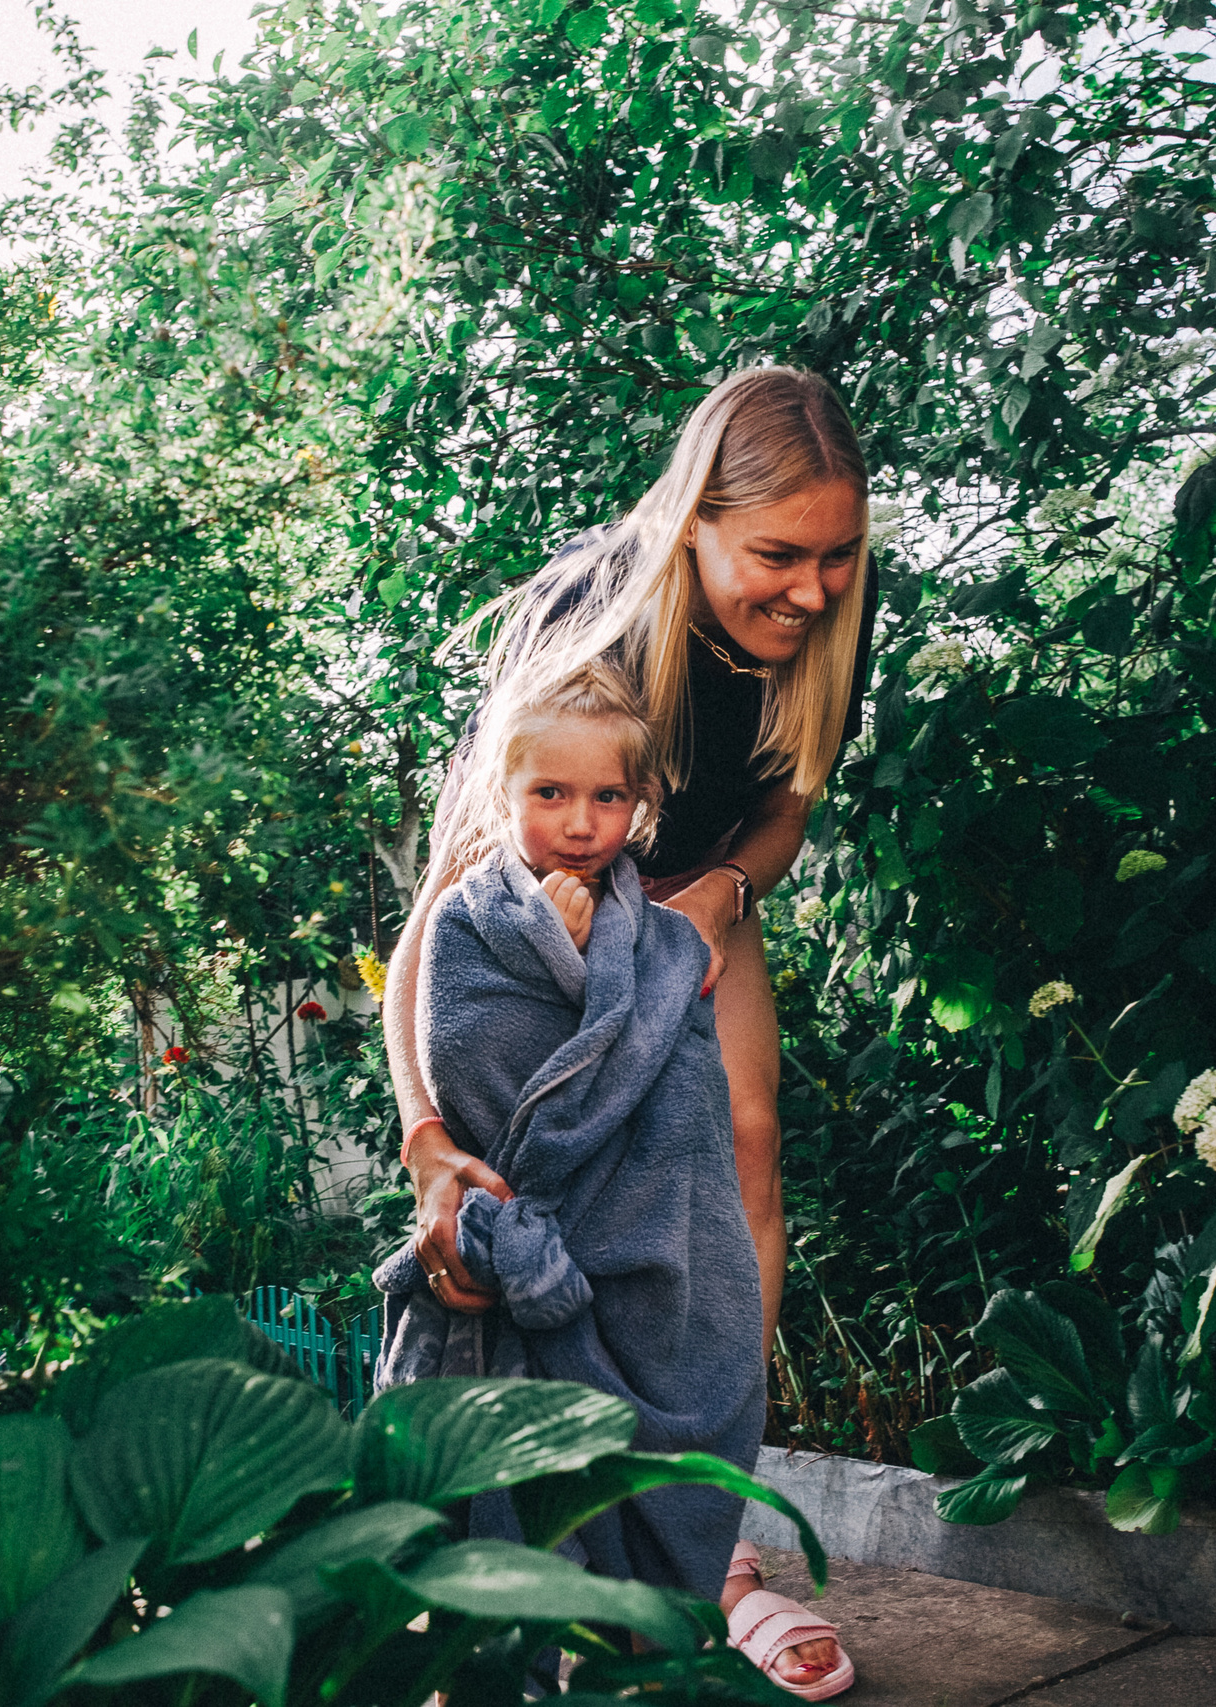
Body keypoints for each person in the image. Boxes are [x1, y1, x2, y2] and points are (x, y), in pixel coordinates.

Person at [383, 364, 870, 1693]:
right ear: (695, 521)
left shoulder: (832, 594)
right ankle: (561, 1534)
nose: (813, 590)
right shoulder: (585, 618)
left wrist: (722, 896)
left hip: (700, 899)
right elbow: (443, 904)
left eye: (835, 557)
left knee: (749, 1153)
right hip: (546, 919)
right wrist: (424, 1141)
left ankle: (705, 1545)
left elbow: (788, 798)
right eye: (778, 557)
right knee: (576, 1202)